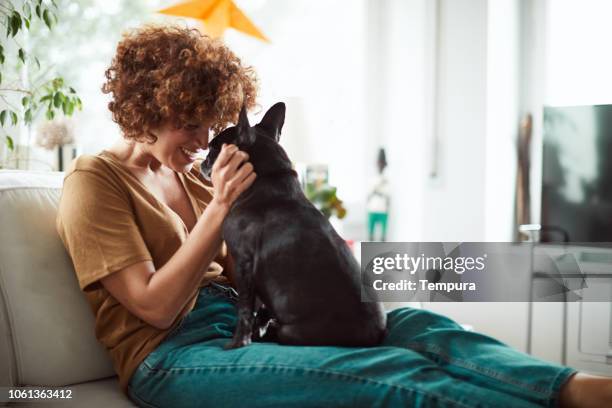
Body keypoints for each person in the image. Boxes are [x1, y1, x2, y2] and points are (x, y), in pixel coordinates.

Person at [56, 24, 611, 408]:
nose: (204, 141)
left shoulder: (191, 176)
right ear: (148, 108)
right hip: (173, 357)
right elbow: (153, 308)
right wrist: (222, 205)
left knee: (415, 323)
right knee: (382, 376)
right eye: (190, 125)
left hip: (250, 327)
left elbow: (249, 264)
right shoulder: (95, 181)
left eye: (211, 125)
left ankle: (577, 388)